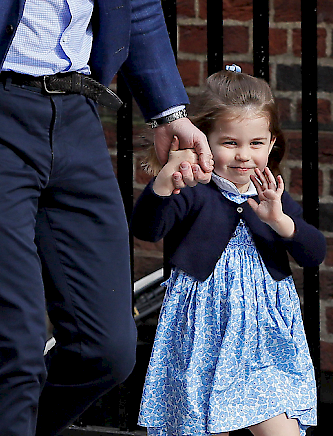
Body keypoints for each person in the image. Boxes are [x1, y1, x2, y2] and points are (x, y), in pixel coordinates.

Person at [0, 1, 214, 435]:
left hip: (76, 112)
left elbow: (137, 6)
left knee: (106, 349)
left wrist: (168, 113)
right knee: (15, 355)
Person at [133, 66, 325, 436]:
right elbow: (146, 229)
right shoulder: (193, 190)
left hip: (265, 336)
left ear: (271, 144)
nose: (243, 155)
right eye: (230, 143)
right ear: (205, 140)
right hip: (203, 329)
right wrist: (163, 182)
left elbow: (314, 253)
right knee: (205, 424)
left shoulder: (273, 195)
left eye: (255, 144)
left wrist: (281, 222)